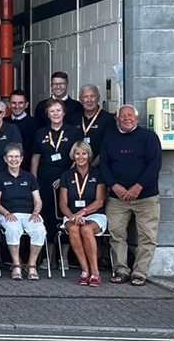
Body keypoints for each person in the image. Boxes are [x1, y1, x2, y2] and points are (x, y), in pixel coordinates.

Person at [100, 104, 162, 286]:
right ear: (117, 119)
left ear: (136, 118)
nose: (126, 118)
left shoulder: (149, 137)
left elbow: (155, 165)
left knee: (147, 236)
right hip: (117, 198)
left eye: (130, 115)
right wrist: (115, 186)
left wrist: (138, 187)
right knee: (116, 234)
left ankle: (140, 273)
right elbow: (104, 165)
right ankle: (121, 270)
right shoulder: (110, 139)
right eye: (122, 116)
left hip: (146, 197)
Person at [0, 143, 46, 280]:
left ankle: (31, 265)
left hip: (29, 214)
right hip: (8, 214)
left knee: (39, 230)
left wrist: (36, 212)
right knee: (13, 229)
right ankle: (16, 265)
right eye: (10, 157)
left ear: (21, 159)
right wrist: (6, 213)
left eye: (16, 156)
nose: (13, 159)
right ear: (5, 159)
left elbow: (38, 200)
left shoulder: (29, 177)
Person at [30, 99, 80, 248]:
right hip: (45, 180)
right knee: (47, 217)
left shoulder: (73, 132)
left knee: (66, 217)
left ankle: (63, 258)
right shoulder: (41, 133)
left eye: (58, 111)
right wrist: (34, 182)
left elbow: (79, 156)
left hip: (68, 181)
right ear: (47, 114)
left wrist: (65, 178)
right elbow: (35, 158)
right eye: (52, 111)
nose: (55, 114)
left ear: (64, 112)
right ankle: (48, 256)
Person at [58, 140, 108, 287]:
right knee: (73, 228)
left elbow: (99, 201)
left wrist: (82, 213)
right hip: (72, 214)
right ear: (73, 156)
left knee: (86, 229)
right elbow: (62, 204)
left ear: (89, 155)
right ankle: (85, 271)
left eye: (84, 153)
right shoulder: (66, 175)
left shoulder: (97, 174)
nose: (81, 157)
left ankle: (95, 272)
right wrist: (73, 216)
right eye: (77, 153)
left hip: (94, 213)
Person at [66, 83, 116, 162]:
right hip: (77, 167)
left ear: (98, 98)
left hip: (100, 167)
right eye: (85, 97)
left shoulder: (108, 119)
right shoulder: (73, 119)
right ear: (80, 99)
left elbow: (108, 147)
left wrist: (91, 166)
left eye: (92, 96)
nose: (89, 100)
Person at [7, 89, 38, 170]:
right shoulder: (3, 122)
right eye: (14, 103)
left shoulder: (35, 123)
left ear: (26, 104)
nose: (17, 106)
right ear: (9, 104)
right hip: (6, 167)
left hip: (26, 168)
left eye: (20, 103)